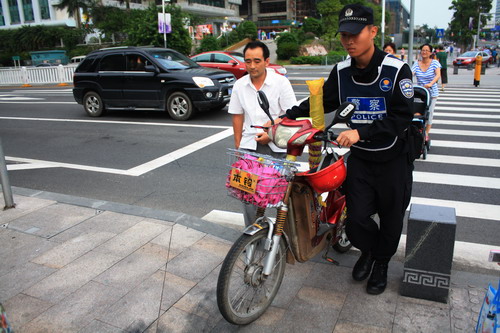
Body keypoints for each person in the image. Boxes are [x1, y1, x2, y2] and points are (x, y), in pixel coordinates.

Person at [268, 3, 414, 295]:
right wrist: (290, 116)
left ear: (372, 32)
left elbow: (402, 117)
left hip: (394, 157)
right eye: (344, 35)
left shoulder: (397, 71)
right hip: (360, 159)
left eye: (355, 34)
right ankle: (369, 251)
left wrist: (361, 132)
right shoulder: (342, 70)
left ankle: (381, 263)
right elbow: (323, 102)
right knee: (356, 218)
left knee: (391, 216)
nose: (348, 41)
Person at [228, 41, 297, 227]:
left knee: (278, 193)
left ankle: (281, 235)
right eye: (247, 61)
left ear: (267, 61)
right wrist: (238, 146)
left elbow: (291, 114)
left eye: (257, 61)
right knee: (248, 195)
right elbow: (237, 115)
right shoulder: (240, 85)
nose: (251, 66)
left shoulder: (280, 83)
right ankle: (253, 232)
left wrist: (272, 132)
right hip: (249, 146)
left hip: (277, 146)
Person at [412, 43, 441, 140]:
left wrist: (431, 83)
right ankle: (417, 129)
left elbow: (437, 75)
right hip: (420, 92)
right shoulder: (416, 63)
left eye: (426, 50)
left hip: (431, 92)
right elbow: (410, 74)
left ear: (430, 53)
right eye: (423, 50)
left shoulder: (435, 63)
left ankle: (426, 134)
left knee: (429, 113)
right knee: (418, 112)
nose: (424, 52)